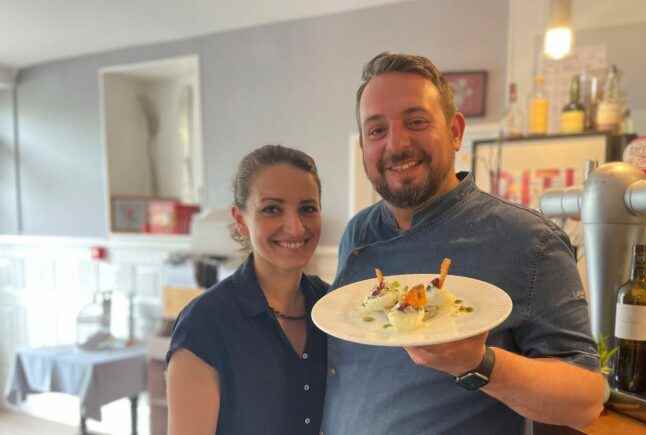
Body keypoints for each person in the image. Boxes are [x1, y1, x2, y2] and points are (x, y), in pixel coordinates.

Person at [322, 53, 605, 435]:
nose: (397, 143)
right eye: (376, 130)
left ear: (455, 131)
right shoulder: (358, 235)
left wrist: (479, 364)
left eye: (416, 121)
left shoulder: (529, 239)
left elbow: (585, 400)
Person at [166, 145, 328, 435]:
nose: (295, 226)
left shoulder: (331, 308)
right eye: (272, 209)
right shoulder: (204, 324)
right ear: (241, 220)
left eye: (307, 208)